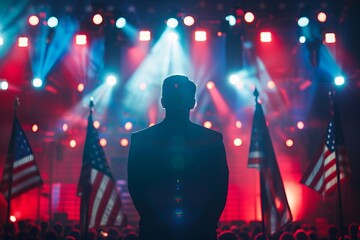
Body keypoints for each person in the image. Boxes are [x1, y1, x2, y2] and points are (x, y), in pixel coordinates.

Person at [128, 74, 229, 240]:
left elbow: (136, 187)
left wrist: (153, 220)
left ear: (162, 102)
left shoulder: (141, 139)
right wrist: (206, 223)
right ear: (193, 103)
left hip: (155, 230)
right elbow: (219, 188)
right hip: (200, 231)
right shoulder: (211, 139)